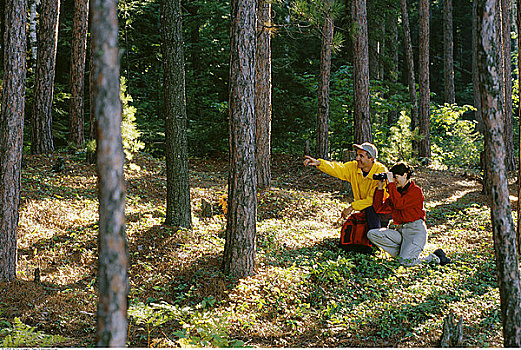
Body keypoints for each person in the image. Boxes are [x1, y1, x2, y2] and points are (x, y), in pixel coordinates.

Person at [367, 162, 451, 266]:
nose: (394, 180)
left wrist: (391, 184)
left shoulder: (416, 191)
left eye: (396, 177)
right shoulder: (397, 193)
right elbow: (379, 208)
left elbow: (399, 204)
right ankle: (403, 254)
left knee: (405, 262)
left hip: (415, 232)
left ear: (405, 175)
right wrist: (380, 188)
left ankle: (435, 258)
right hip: (401, 231)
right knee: (372, 234)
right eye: (393, 178)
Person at [303, 142, 390, 229]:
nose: (357, 158)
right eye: (357, 155)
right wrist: (319, 163)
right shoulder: (354, 167)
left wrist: (352, 207)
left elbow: (374, 200)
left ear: (371, 158)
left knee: (371, 210)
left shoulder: (381, 171)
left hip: (380, 212)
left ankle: (377, 236)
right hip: (364, 208)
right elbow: (337, 168)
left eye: (361, 156)